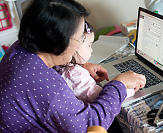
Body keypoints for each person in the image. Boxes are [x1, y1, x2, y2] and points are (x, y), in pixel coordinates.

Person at [0, 0, 146, 133]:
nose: (82, 41)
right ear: (58, 44)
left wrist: (78, 65)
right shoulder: (47, 87)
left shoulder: (21, 48)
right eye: (81, 37)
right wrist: (119, 84)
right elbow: (92, 125)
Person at [53, 24, 103, 103]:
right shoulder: (74, 73)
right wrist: (122, 84)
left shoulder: (59, 64)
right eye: (89, 45)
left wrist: (84, 65)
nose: (91, 50)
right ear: (73, 46)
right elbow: (97, 96)